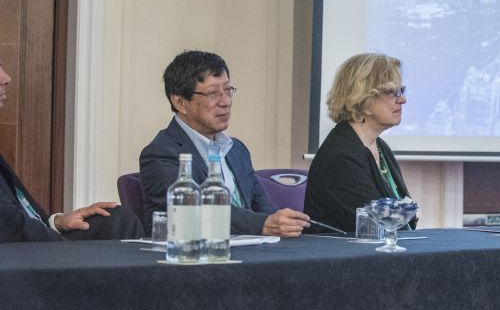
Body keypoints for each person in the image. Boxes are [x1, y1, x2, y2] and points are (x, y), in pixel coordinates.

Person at [140, 50, 310, 237]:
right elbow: (196, 211)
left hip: (252, 249)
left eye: (228, 90)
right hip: (194, 252)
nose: (226, 102)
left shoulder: (236, 150)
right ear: (180, 102)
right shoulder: (160, 153)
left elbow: (262, 207)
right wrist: (263, 224)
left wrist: (285, 222)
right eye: (212, 93)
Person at [0, 59, 144, 243]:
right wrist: (65, 247)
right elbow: (11, 227)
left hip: (33, 242)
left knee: (116, 219)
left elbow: (20, 212)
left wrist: (56, 222)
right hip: (21, 253)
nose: (6, 78)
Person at [304, 52, 416, 234]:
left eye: (401, 90)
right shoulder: (340, 157)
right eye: (392, 92)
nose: (403, 99)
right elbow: (375, 225)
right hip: (345, 251)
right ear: (364, 99)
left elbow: (403, 216)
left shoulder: (380, 147)